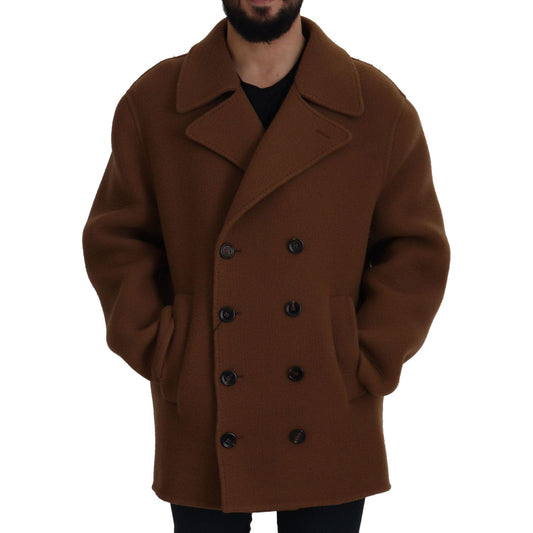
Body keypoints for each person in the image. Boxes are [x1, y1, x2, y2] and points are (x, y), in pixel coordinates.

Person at [82, 0, 451, 531]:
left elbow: (416, 250)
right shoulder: (156, 102)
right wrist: (167, 349)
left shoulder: (376, 107)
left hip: (328, 405)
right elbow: (117, 239)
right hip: (206, 405)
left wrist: (362, 354)